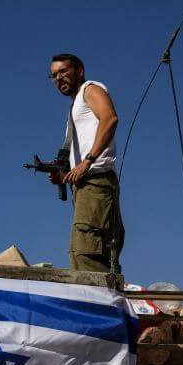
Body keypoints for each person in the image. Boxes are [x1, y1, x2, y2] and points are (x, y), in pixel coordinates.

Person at [47, 53, 125, 273]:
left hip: (95, 181)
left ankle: (100, 304)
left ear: (79, 71)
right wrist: (63, 175)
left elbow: (110, 118)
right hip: (83, 186)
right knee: (80, 255)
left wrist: (88, 160)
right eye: (54, 75)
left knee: (88, 253)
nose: (59, 78)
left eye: (63, 71)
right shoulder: (74, 108)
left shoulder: (90, 89)